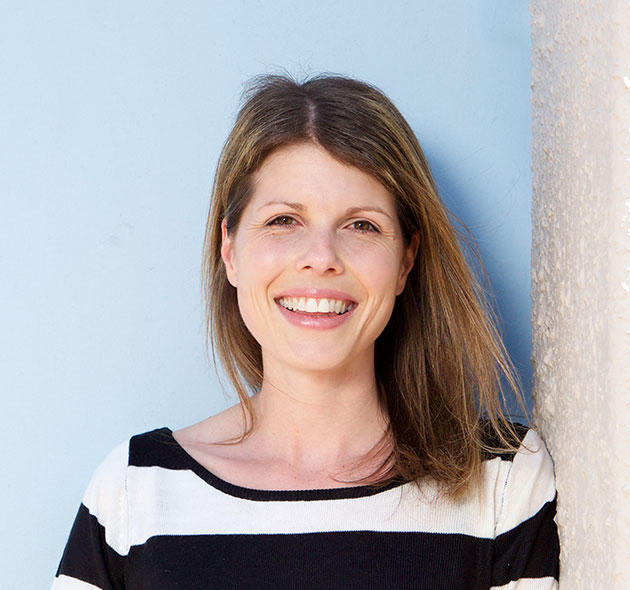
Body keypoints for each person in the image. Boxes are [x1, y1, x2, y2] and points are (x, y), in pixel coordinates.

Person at [52, 74, 560, 589]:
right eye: (282, 221)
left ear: (406, 260)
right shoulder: (137, 492)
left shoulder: (504, 482)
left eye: (361, 225)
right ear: (228, 250)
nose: (321, 258)